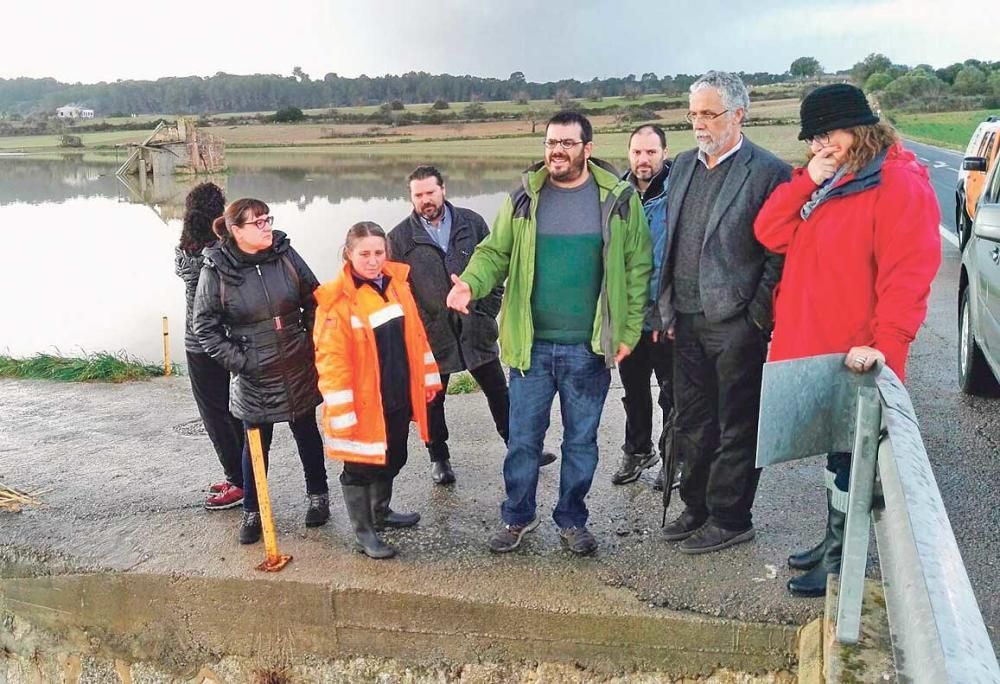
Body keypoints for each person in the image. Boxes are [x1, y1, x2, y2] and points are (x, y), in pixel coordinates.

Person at [753, 83, 941, 596]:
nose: (819, 146)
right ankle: (831, 542)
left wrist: (886, 349)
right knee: (836, 455)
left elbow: (908, 275)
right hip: (817, 347)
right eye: (812, 139)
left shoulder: (897, 182)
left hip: (856, 355)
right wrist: (807, 178)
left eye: (827, 135)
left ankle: (842, 561)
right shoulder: (833, 179)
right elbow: (770, 231)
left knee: (852, 459)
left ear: (859, 128)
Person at [447, 111, 652, 556]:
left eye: (567, 142)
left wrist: (629, 330)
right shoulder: (525, 196)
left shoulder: (617, 200)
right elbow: (494, 252)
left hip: (588, 347)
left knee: (581, 441)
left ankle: (572, 519)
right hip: (531, 346)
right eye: (550, 142)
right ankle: (517, 516)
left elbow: (638, 269)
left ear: (587, 149)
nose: (556, 151)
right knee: (522, 440)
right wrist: (470, 282)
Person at [653, 71, 791, 554]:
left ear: (738, 115)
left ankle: (731, 516)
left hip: (735, 323)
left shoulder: (769, 171)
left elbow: (780, 252)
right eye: (693, 114)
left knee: (737, 423)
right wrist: (664, 306)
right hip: (685, 319)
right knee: (692, 420)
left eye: (708, 114)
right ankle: (697, 506)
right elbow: (671, 239)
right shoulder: (685, 164)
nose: (698, 124)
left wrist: (757, 314)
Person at [389, 166, 555, 485]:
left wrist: (486, 311)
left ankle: (520, 448)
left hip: (476, 328)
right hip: (432, 336)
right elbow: (398, 294)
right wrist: (420, 327)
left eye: (430, 192)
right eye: (418, 194)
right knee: (433, 402)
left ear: (444, 189)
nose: (425, 199)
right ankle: (439, 458)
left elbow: (495, 269)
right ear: (411, 197)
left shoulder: (472, 222)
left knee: (499, 391)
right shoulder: (399, 238)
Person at [193, 198, 330, 544]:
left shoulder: (285, 253)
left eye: (268, 219)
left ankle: (318, 496)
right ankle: (253, 510)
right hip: (253, 372)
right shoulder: (217, 269)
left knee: (306, 431)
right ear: (235, 230)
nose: (267, 226)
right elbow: (205, 328)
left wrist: (310, 344)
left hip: (296, 362)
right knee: (255, 442)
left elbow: (314, 298)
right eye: (258, 222)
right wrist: (241, 362)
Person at [313, 221, 442, 559]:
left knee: (394, 457)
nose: (373, 260)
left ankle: (380, 512)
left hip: (398, 394)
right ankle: (364, 531)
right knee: (360, 467)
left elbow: (416, 337)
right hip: (364, 402)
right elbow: (331, 363)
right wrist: (342, 412)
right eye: (364, 254)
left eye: (378, 252)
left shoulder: (397, 286)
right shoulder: (337, 302)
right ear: (348, 254)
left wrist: (428, 380)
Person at [175, 182, 246, 510]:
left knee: (215, 415)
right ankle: (243, 474)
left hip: (200, 343)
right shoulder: (227, 247)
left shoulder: (187, 250)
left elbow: (183, 272)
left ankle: (237, 480)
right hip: (229, 339)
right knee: (235, 410)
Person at [613, 124, 675, 489]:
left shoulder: (679, 192)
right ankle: (637, 450)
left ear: (664, 152)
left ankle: (674, 459)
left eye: (651, 152)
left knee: (671, 392)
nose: (643, 159)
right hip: (629, 316)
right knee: (633, 389)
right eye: (637, 152)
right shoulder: (617, 196)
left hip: (666, 314)